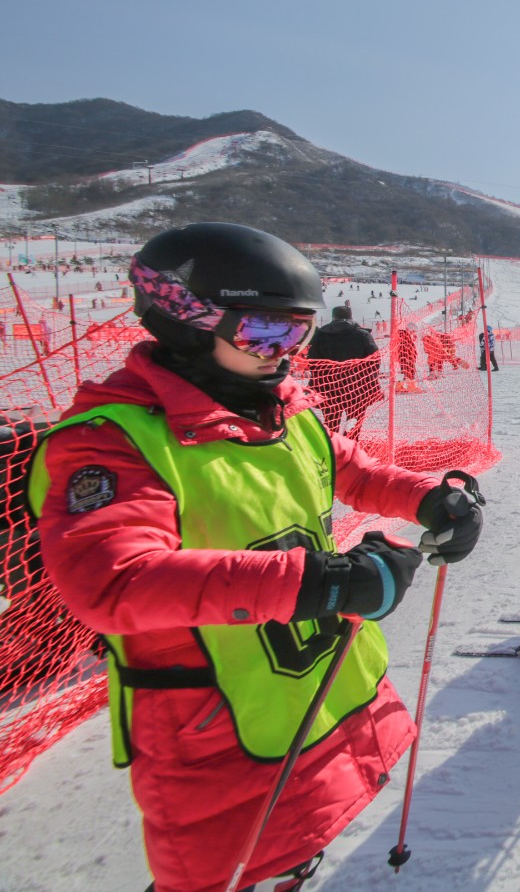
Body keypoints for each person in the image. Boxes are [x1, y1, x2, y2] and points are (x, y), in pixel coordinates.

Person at [29, 222, 485, 892]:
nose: (286, 355)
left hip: (312, 697)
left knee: (293, 854)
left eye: (297, 336)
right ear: (185, 320)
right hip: (216, 732)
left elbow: (347, 469)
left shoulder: (282, 410)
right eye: (265, 334)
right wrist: (321, 583)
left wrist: (429, 499)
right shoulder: (110, 442)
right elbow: (115, 582)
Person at [305, 304, 382, 438]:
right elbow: (375, 359)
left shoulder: (321, 335)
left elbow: (312, 362)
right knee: (353, 423)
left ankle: (333, 450)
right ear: (350, 316)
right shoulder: (362, 334)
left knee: (331, 423)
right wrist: (366, 376)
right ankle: (351, 450)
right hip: (356, 388)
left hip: (328, 387)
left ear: (333, 317)